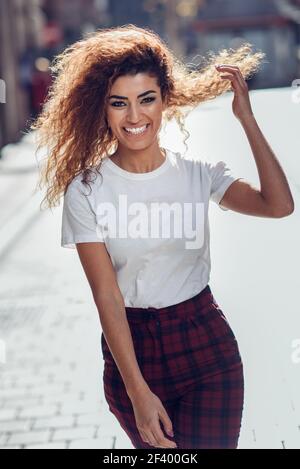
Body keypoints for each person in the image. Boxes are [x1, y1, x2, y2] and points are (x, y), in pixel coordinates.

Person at [30, 24, 294, 449]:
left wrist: (248, 121)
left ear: (165, 100)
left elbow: (279, 206)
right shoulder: (86, 190)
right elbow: (107, 296)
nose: (135, 117)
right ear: (103, 109)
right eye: (120, 103)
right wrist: (137, 392)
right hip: (133, 356)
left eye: (146, 99)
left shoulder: (197, 175)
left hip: (205, 344)